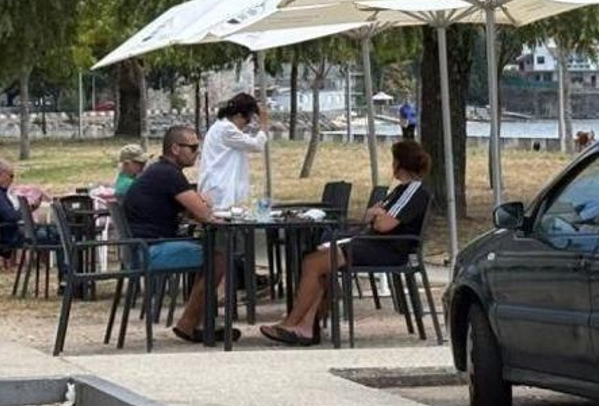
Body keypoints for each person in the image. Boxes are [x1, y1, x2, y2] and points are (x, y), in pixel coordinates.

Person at [259, 140, 432, 346]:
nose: (392, 165)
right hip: (372, 244)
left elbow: (383, 224)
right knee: (317, 261)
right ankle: (306, 326)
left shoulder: (413, 191)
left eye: (394, 160)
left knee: (313, 263)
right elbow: (369, 216)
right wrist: (375, 214)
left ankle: (291, 323)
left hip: (387, 249)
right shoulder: (399, 190)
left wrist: (376, 214)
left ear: (401, 164)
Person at [124, 125, 238, 342]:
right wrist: (203, 205)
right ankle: (189, 324)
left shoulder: (161, 172)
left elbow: (193, 211)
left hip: (140, 247)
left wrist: (200, 206)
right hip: (149, 251)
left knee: (210, 251)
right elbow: (204, 213)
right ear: (175, 148)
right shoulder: (168, 174)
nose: (197, 153)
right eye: (193, 148)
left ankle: (202, 321)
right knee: (218, 257)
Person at [198, 92, 269, 210]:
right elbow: (257, 145)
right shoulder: (226, 129)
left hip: (219, 186)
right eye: (247, 120)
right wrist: (263, 124)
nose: (247, 125)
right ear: (238, 116)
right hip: (220, 189)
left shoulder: (220, 126)